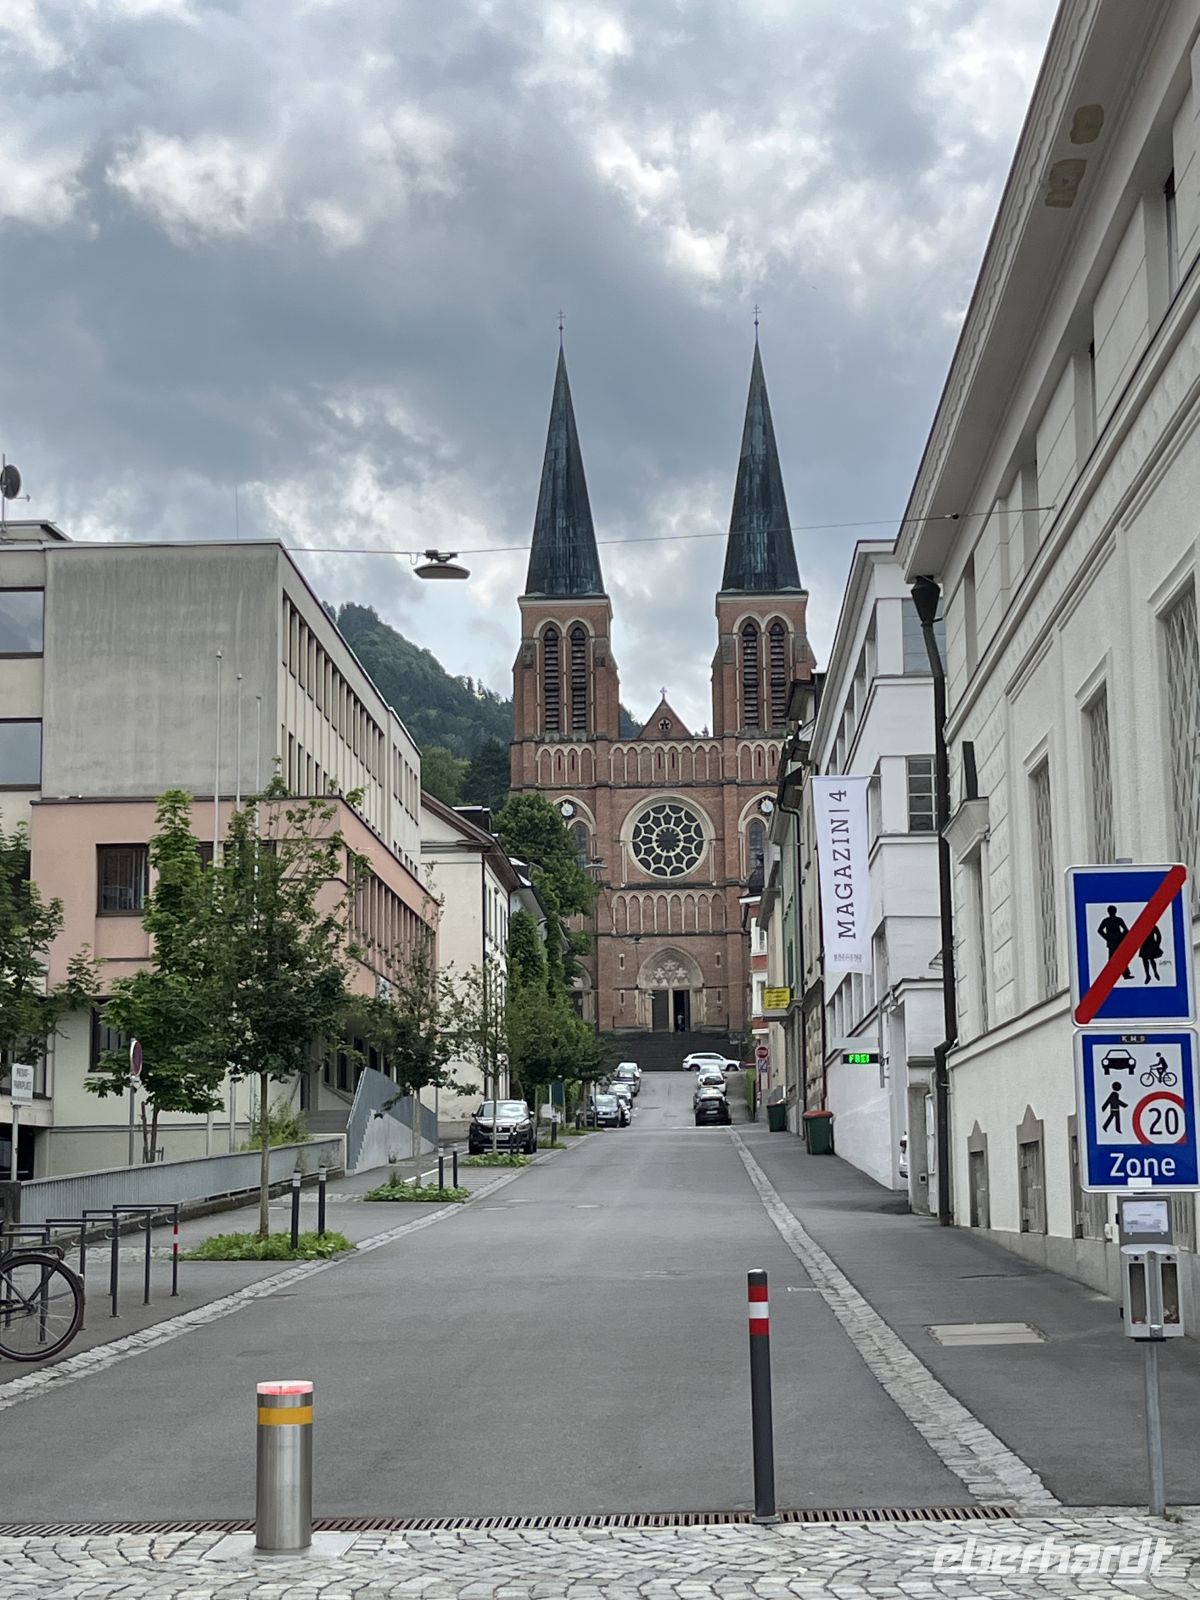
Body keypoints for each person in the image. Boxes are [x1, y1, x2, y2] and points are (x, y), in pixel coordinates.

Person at [1097, 905, 1132, 979]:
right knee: (1113, 959)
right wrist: (1107, 938)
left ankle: (1125, 974)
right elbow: (1100, 930)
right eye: (1110, 911)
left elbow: (1126, 930)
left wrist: (1120, 937)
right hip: (1112, 943)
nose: (1111, 912)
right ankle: (1111, 975)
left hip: (1118, 942)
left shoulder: (1118, 920)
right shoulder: (1106, 920)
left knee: (1121, 958)